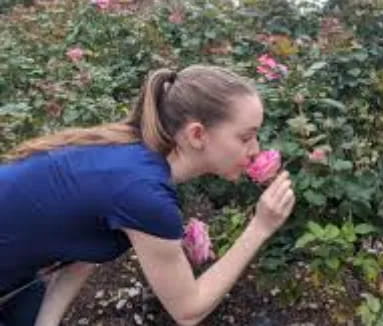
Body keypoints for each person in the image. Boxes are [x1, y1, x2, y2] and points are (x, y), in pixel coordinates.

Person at [0, 65, 296, 326]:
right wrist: (260, 228)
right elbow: (188, 311)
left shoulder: (134, 155)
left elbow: (83, 248)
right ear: (196, 135)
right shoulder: (141, 192)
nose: (256, 149)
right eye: (245, 137)